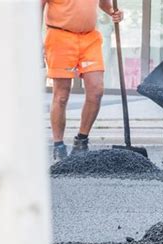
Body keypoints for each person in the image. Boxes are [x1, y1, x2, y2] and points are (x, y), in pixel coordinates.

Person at [42, 0, 124, 161]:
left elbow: (104, 3)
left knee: (96, 90)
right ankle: (58, 144)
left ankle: (81, 140)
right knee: (62, 95)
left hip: (90, 38)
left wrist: (114, 12)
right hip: (60, 36)